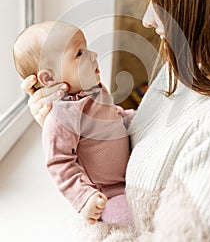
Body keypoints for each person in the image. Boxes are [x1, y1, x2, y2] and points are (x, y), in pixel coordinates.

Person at [21, 0, 210, 241]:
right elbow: (140, 137)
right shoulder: (182, 68)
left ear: (206, 5)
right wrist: (69, 125)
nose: (148, 19)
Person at [13, 20, 134, 228]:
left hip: (129, 176)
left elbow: (112, 116)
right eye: (79, 53)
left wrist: (133, 118)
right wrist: (84, 198)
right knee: (131, 222)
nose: (93, 55)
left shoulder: (96, 90)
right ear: (49, 77)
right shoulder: (62, 117)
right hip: (107, 193)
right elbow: (59, 163)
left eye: (86, 48)